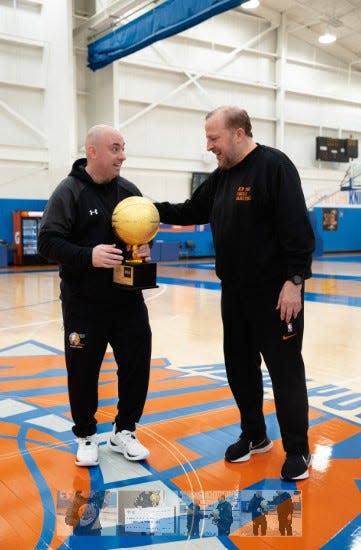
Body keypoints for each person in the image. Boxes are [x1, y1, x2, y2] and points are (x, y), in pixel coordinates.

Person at [154, 106, 314, 480]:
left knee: (285, 372)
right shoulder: (222, 177)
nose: (209, 146)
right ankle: (256, 436)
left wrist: (294, 281)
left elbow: (297, 229)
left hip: (275, 295)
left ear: (238, 134)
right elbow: (191, 208)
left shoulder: (275, 166)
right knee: (240, 368)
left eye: (214, 138)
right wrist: (148, 208)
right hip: (234, 293)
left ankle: (298, 449)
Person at [38, 125, 152, 466]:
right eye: (116, 148)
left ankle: (124, 431)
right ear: (94, 151)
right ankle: (86, 434)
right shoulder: (69, 192)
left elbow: (142, 234)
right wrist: (89, 255)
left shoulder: (130, 191)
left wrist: (144, 246)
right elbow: (47, 243)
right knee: (83, 370)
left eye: (123, 148)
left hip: (128, 302)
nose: (123, 155)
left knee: (136, 365)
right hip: (83, 305)